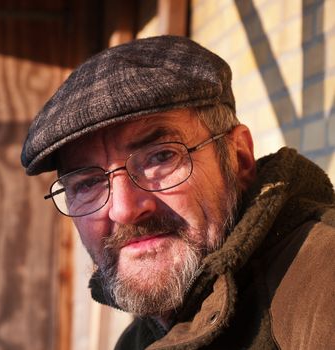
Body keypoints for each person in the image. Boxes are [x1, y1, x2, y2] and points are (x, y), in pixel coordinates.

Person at [21, 36, 335, 349]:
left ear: (239, 157)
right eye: (87, 183)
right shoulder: (135, 343)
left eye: (160, 157)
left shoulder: (322, 283)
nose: (124, 209)